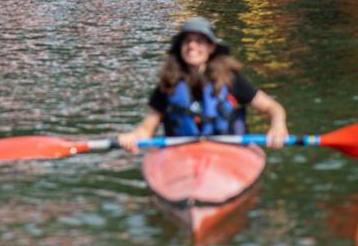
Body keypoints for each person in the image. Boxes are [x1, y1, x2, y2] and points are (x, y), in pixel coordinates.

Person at [118, 17, 289, 153]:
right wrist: (133, 137)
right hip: (182, 154)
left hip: (228, 152)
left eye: (199, 41)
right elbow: (147, 129)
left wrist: (278, 125)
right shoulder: (169, 85)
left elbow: (273, 108)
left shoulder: (231, 79)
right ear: (180, 48)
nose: (192, 46)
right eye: (187, 41)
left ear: (211, 48)